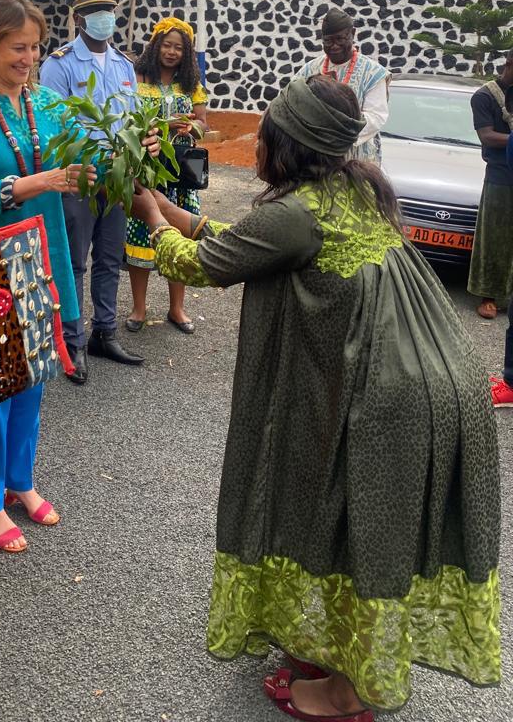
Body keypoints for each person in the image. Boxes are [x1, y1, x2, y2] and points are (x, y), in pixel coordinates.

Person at [131, 74, 500, 721]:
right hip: (441, 379)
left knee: (359, 528)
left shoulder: (296, 213)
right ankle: (342, 656)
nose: (257, 145)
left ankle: (347, 694)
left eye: (265, 134)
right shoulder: (353, 187)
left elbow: (204, 264)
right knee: (350, 519)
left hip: (392, 397)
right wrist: (176, 211)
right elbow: (246, 242)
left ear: (288, 146)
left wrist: (153, 221)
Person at [0, 0, 97, 551]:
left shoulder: (48, 104)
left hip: (43, 252)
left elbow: (88, 158)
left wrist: (134, 148)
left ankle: (19, 481)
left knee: (34, 376)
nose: (29, 58)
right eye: (17, 47)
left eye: (34, 47)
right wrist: (41, 182)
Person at [39, 0, 143, 383]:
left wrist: (131, 161)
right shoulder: (59, 64)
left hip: (116, 182)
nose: (105, 18)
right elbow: (54, 127)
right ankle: (72, 340)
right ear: (79, 19)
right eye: (95, 12)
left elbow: (132, 122)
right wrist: (94, 165)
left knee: (110, 259)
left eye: (109, 11)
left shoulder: (123, 65)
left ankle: (104, 332)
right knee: (74, 262)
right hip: (79, 180)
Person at [125, 16, 208, 334]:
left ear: (186, 53)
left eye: (179, 48)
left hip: (181, 172)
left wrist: (192, 127)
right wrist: (163, 125)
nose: (172, 52)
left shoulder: (191, 84)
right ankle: (139, 308)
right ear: (156, 45)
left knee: (181, 237)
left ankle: (177, 308)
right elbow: (128, 120)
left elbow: (203, 122)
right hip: (146, 168)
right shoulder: (137, 78)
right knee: (141, 234)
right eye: (167, 45)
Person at [295, 8, 390, 163]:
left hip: (357, 161)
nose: (334, 46)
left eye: (340, 39)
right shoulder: (309, 70)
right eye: (328, 41)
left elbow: (376, 117)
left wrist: (336, 131)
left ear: (353, 33)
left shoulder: (373, 74)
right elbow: (292, 102)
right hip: (315, 158)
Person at [468, 50, 513, 319]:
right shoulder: (485, 96)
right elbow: (487, 136)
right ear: (509, 64)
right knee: (495, 238)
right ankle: (489, 295)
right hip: (501, 176)